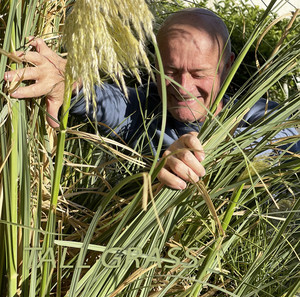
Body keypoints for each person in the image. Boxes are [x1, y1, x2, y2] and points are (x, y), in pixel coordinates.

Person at [3, 8, 299, 190]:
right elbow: (98, 97)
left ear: (228, 66)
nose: (183, 86)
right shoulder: (140, 111)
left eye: (199, 73)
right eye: (170, 71)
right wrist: (64, 80)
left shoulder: (269, 120)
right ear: (155, 67)